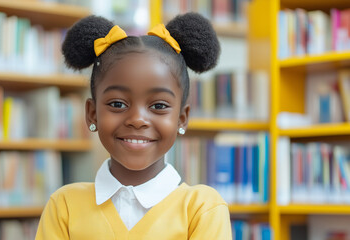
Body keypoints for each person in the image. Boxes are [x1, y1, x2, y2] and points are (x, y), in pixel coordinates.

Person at [35, 12, 231, 239]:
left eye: (158, 106)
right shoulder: (64, 206)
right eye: (118, 104)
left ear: (182, 118)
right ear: (92, 114)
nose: (137, 119)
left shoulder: (201, 209)